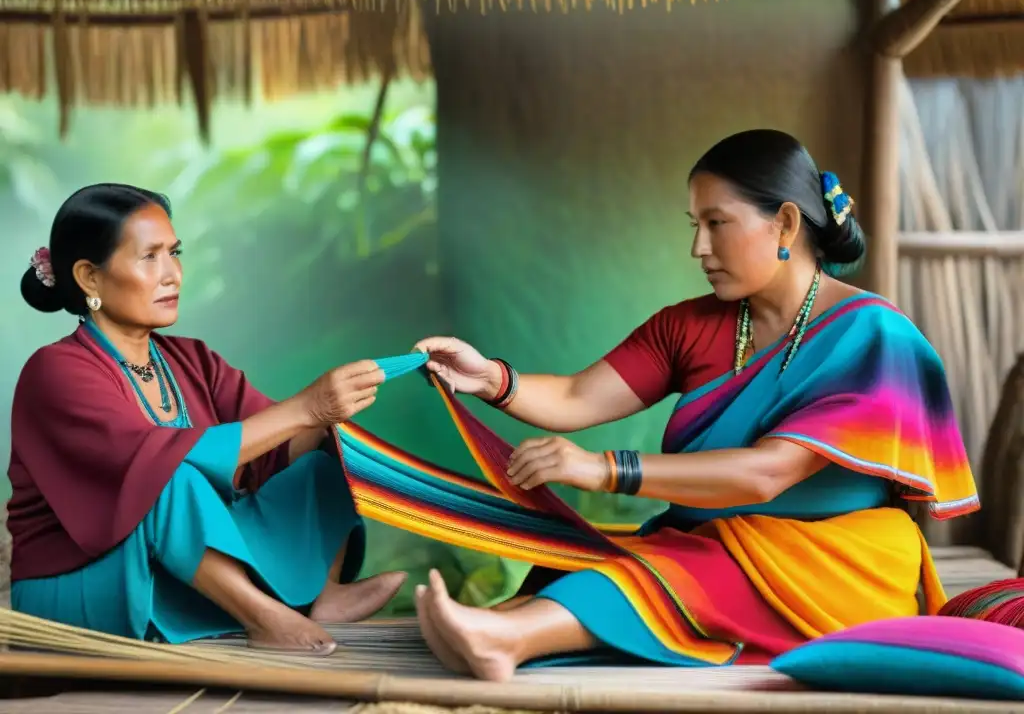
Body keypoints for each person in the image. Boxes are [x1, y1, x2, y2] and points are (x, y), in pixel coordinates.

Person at [411, 129, 980, 681]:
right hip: (709, 541)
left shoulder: (875, 337)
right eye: (695, 225)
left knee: (672, 572)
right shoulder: (689, 325)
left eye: (717, 224)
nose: (698, 248)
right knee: (577, 560)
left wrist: (602, 469)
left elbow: (767, 473)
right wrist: (490, 378)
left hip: (833, 564)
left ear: (784, 222)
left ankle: (507, 640)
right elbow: (578, 396)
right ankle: (497, 626)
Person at [9, 183, 407, 656]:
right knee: (166, 475)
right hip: (88, 578)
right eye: (149, 257)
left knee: (325, 452)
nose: (172, 274)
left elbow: (276, 446)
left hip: (182, 566)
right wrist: (307, 406)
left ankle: (322, 592)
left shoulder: (193, 360)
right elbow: (148, 469)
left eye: (174, 253)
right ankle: (263, 615)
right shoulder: (55, 371)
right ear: (90, 278)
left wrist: (327, 418)